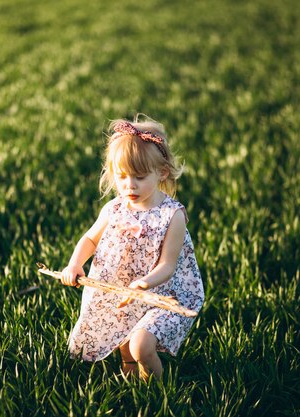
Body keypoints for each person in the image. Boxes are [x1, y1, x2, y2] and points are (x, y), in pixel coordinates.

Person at [61, 115, 204, 381]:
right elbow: (90, 239)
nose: (129, 185)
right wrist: (75, 263)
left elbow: (168, 265)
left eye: (139, 177)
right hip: (121, 290)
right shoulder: (114, 208)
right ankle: (130, 382)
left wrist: (144, 283)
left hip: (162, 294)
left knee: (141, 345)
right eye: (122, 176)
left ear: (161, 172)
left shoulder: (172, 215)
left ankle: (158, 393)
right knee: (125, 343)